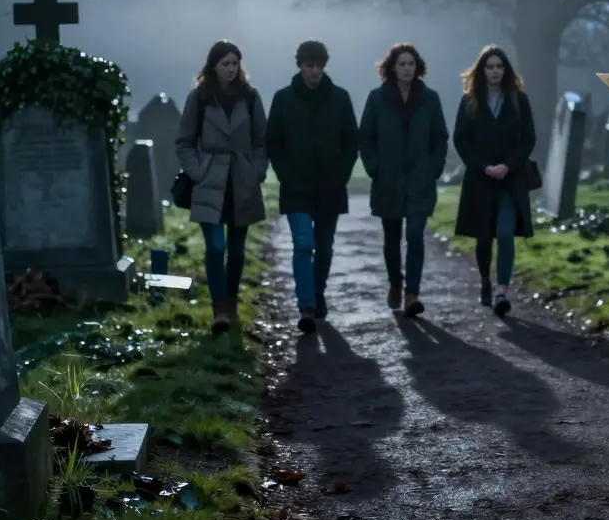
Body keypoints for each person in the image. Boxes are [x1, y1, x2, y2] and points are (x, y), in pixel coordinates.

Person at [266, 40, 359, 334]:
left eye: (319, 66)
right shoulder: (283, 99)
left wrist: (341, 175)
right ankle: (306, 304)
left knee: (325, 247)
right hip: (296, 186)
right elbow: (273, 142)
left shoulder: (341, 99)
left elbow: (351, 142)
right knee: (304, 244)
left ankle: (317, 293)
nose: (315, 71)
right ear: (300, 66)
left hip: (330, 186)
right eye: (310, 65)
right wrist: (285, 174)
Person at [175, 40, 268, 334]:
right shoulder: (199, 98)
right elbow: (184, 142)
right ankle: (220, 310)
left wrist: (257, 171)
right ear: (213, 66)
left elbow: (261, 140)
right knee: (216, 247)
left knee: (237, 251)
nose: (230, 68)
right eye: (225, 63)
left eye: (234, 63)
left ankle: (231, 300)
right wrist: (198, 171)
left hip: (242, 179)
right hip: (210, 180)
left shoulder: (250, 98)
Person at [359, 42, 449, 317]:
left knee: (415, 235)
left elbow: (440, 137)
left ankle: (412, 293)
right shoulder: (377, 98)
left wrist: (433, 168)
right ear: (392, 68)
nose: (407, 68)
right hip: (388, 180)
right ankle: (395, 281)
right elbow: (365, 137)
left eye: (411, 64)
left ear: (417, 67)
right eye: (402, 64)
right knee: (391, 238)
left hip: (420, 179)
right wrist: (376, 167)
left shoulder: (430, 98)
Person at [451, 45, 536, 315]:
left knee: (504, 233)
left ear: (506, 69)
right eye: (490, 66)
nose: (495, 71)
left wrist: (508, 166)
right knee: (484, 238)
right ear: (482, 70)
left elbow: (529, 138)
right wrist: (483, 166)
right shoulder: (469, 101)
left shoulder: (518, 99)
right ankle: (486, 281)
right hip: (480, 181)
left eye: (499, 66)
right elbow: (460, 139)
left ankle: (502, 291)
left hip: (510, 181)